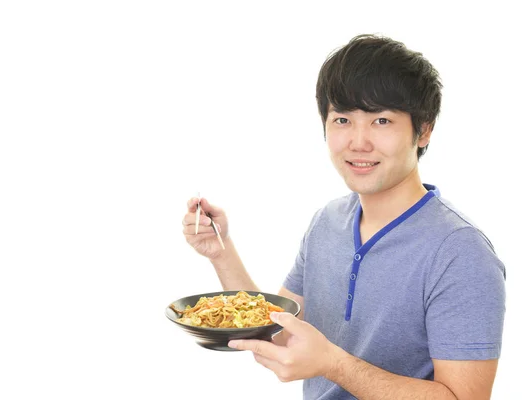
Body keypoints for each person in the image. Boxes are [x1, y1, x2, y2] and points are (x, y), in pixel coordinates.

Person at [182, 34, 506, 400]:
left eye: (381, 121)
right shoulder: (327, 222)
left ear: (424, 129)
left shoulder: (460, 252)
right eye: (342, 120)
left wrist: (334, 364)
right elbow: (280, 331)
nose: (358, 142)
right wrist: (221, 251)